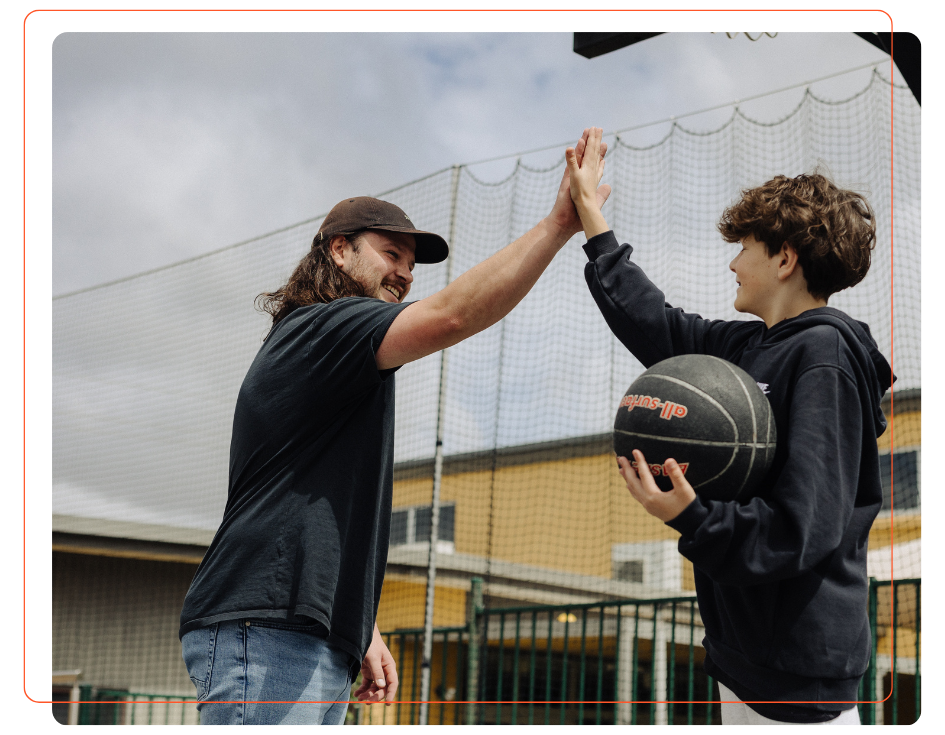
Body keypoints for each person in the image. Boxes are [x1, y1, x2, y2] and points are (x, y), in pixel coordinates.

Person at [178, 131, 611, 727]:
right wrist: (560, 224)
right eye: (391, 254)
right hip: (268, 628)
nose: (405, 273)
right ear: (339, 251)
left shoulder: (335, 356)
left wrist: (359, 621)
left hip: (301, 630)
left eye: (411, 264)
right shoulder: (322, 328)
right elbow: (453, 315)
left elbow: (312, 507)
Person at [567, 128, 891, 726]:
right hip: (741, 661)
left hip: (800, 675)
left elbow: (803, 527)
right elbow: (655, 323)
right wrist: (590, 214)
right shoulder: (746, 347)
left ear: (785, 259)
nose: (733, 262)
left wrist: (693, 517)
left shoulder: (825, 357)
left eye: (744, 247)